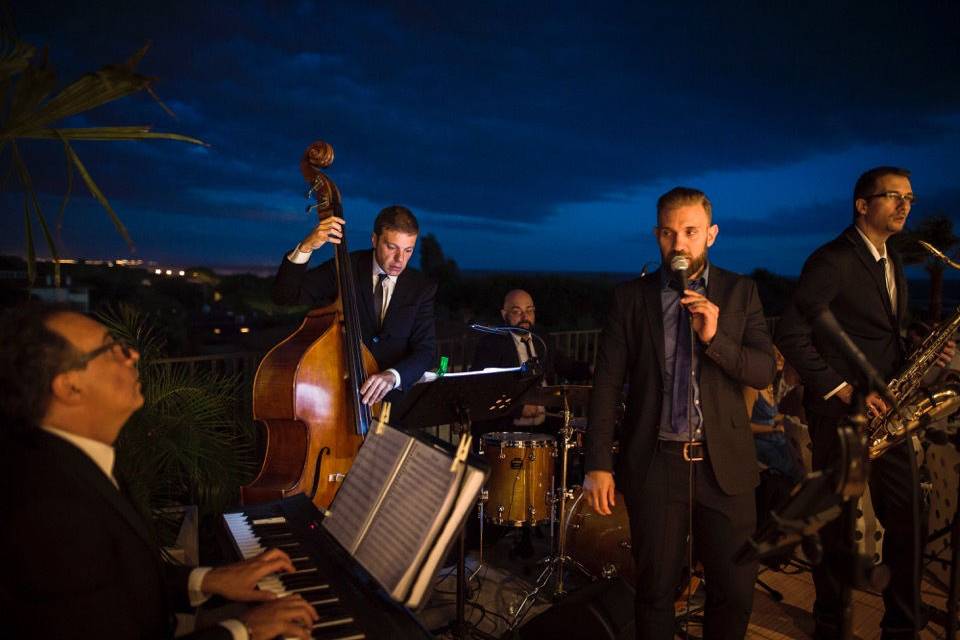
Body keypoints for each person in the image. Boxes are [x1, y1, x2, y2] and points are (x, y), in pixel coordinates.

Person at [0, 303, 319, 640]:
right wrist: (245, 629)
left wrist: (206, 580)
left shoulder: (66, 459)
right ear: (69, 387)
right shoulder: (49, 509)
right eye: (112, 350)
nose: (133, 356)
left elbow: (116, 584)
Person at [583, 187, 776, 639]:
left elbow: (764, 369)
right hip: (657, 464)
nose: (679, 244)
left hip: (724, 465)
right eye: (669, 233)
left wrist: (716, 339)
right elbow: (606, 385)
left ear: (711, 234)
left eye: (690, 232)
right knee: (654, 591)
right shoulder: (630, 299)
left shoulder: (741, 292)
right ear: (657, 236)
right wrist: (597, 463)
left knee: (734, 591)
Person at [776, 166, 954, 639]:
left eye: (910, 198)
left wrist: (927, 345)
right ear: (862, 204)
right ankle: (830, 624)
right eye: (893, 196)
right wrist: (845, 389)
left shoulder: (892, 260)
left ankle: (900, 625)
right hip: (841, 416)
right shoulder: (832, 260)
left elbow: (882, 335)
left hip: (887, 414)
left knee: (909, 519)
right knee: (835, 530)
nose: (905, 206)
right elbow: (791, 333)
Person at [272, 204, 437, 404]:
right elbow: (285, 297)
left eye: (408, 250)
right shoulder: (345, 267)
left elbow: (425, 350)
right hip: (339, 396)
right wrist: (306, 247)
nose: (399, 259)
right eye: (391, 247)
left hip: (393, 406)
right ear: (374, 239)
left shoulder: (421, 287)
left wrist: (393, 376)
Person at [471, 288, 593, 432]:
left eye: (529, 310)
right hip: (506, 431)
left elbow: (566, 366)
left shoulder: (541, 339)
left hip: (544, 428)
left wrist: (593, 369)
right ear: (504, 315)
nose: (525, 317)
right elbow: (482, 388)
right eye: (517, 311)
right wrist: (518, 408)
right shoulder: (491, 344)